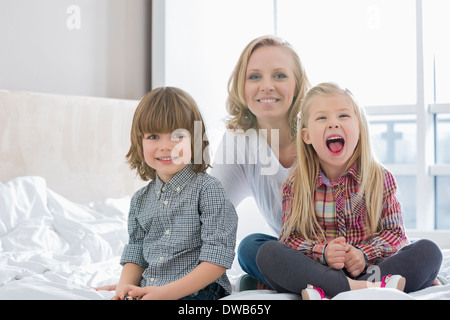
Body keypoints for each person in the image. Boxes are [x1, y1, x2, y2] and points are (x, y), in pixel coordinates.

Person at [255, 82, 443, 299]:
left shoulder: (381, 178)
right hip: (320, 270)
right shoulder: (295, 184)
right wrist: (323, 252)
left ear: (359, 128)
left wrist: (363, 254)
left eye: (343, 116)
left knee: (429, 252)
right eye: (322, 118)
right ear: (306, 136)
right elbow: (290, 240)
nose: (333, 123)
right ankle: (363, 289)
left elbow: (397, 235)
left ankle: (334, 289)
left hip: (372, 270)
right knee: (267, 253)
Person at [113, 87, 238, 300]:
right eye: (153, 136)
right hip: (151, 287)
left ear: (194, 140)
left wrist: (165, 294)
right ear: (139, 142)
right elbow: (137, 253)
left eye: (177, 135)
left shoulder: (209, 190)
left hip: (198, 290)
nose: (165, 146)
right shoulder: (140, 200)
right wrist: (124, 287)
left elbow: (217, 259)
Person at [210, 35, 310, 288]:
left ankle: (296, 283)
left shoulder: (321, 128)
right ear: (241, 87)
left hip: (350, 246)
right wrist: (150, 272)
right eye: (254, 77)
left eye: (279, 75)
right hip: (297, 255)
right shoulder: (239, 141)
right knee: (250, 248)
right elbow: (207, 216)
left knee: (423, 252)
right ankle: (320, 283)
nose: (267, 86)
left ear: (297, 85)